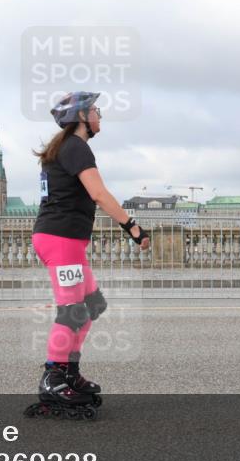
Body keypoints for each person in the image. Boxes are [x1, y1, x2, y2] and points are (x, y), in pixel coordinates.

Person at [29, 91, 151, 413]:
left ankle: (69, 370)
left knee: (92, 305)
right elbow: (98, 193)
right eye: (95, 109)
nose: (100, 114)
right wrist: (132, 227)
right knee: (72, 311)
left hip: (64, 239)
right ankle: (52, 376)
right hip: (61, 239)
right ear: (81, 117)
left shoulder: (64, 148)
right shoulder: (75, 148)